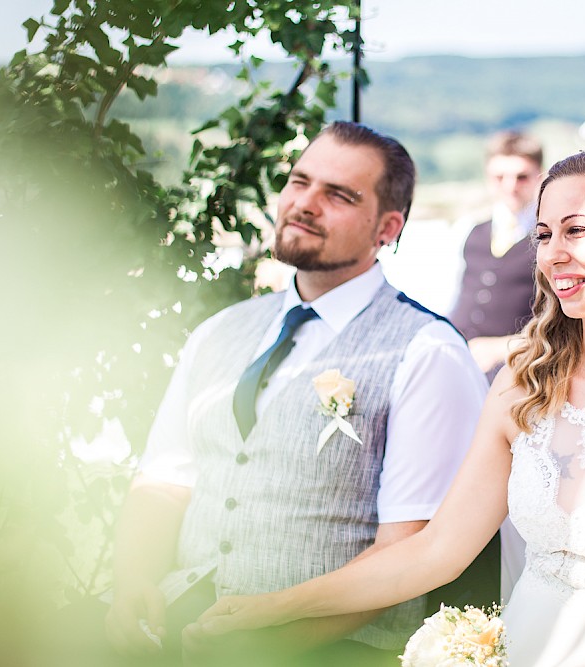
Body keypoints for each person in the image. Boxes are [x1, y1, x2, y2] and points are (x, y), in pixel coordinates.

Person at [183, 148, 585, 667]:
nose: (552, 255)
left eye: (576, 231)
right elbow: (437, 551)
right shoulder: (525, 388)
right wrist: (276, 607)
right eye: (543, 236)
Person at [100, 121, 488, 666]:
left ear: (388, 227)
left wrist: (275, 644)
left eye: (338, 195)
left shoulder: (428, 351)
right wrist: (133, 582)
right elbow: (165, 479)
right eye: (299, 182)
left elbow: (408, 548)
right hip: (180, 629)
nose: (305, 203)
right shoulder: (221, 331)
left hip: (332, 651)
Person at [449, 130, 543, 378]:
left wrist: (502, 348)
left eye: (521, 177)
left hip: (516, 371)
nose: (510, 186)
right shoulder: (472, 232)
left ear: (539, 177)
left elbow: (563, 325)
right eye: (500, 177)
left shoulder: (548, 240)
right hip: (458, 362)